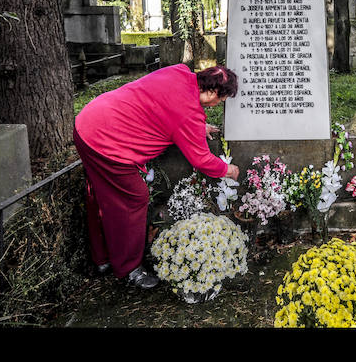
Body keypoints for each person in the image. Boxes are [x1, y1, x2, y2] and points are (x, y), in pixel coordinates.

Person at [73, 63, 240, 289]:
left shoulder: (179, 72)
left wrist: (197, 127)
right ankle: (129, 269)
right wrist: (227, 170)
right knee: (134, 199)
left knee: (100, 194)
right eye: (220, 99)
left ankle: (101, 258)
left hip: (88, 123)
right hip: (107, 144)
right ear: (211, 92)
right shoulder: (188, 114)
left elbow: (162, 107)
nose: (217, 104)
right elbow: (201, 160)